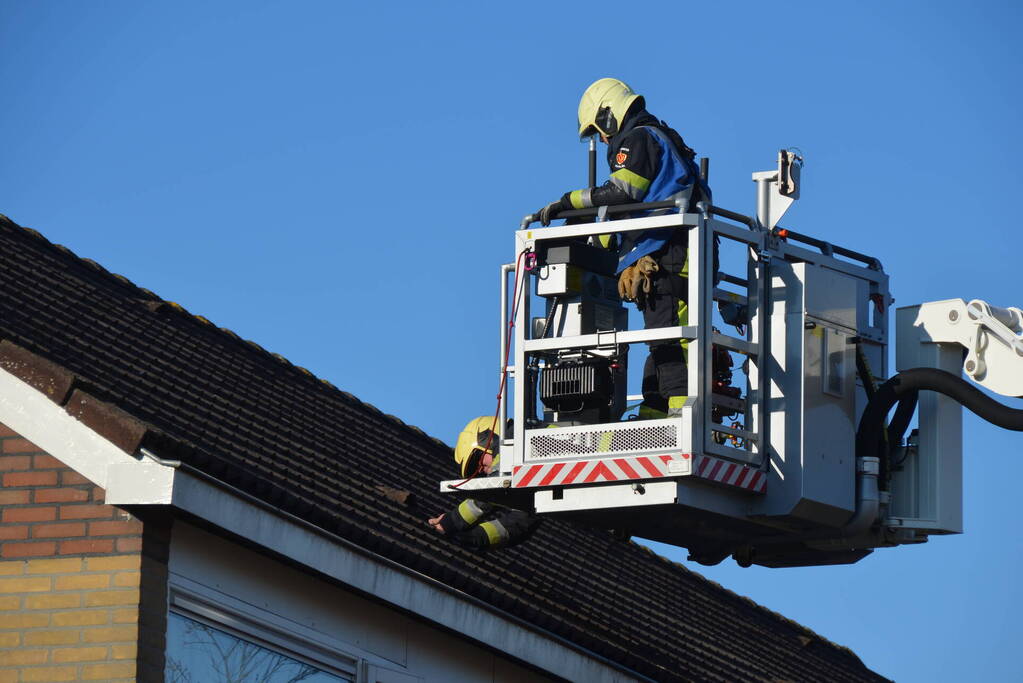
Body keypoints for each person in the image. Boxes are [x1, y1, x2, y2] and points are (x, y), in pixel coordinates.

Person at [535, 78, 711, 419]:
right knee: (662, 335)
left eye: (598, 129)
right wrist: (594, 236)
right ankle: (655, 414)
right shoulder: (656, 136)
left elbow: (621, 194)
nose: (602, 138)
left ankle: (680, 416)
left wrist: (567, 203)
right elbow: (628, 209)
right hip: (674, 247)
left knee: (668, 334)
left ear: (608, 114)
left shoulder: (638, 138)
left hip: (671, 248)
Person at [427, 417, 540, 550]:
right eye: (476, 471)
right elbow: (522, 520)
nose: (481, 470)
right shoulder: (531, 479)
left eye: (477, 461)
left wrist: (451, 521)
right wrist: (475, 537)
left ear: (489, 437)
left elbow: (494, 490)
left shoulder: (516, 437)